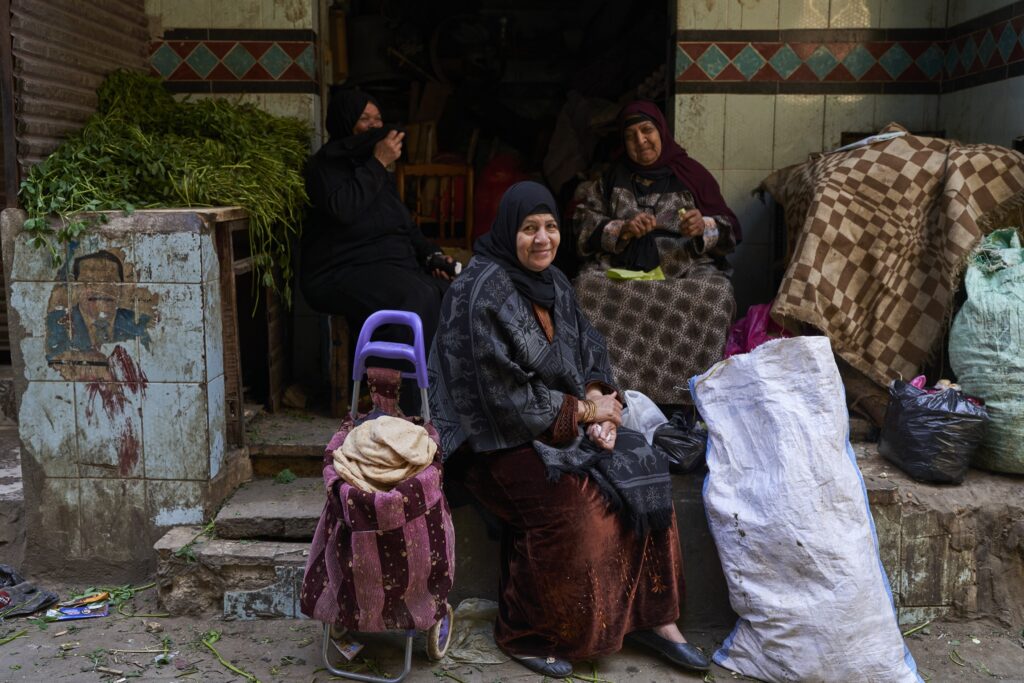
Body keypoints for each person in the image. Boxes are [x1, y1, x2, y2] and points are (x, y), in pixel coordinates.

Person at [428, 181, 709, 679]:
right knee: (578, 508)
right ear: (507, 231)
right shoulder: (476, 294)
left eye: (551, 227)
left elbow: (591, 348)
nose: (543, 239)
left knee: (644, 470)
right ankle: (526, 631)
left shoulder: (554, 282)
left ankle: (655, 619)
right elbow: (502, 400)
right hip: (491, 443)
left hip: (563, 420)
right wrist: (584, 414)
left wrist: (604, 399)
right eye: (529, 228)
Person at [573, 100, 740, 405]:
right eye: (631, 136)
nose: (641, 141)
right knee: (586, 288)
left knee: (717, 293)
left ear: (661, 131)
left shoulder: (692, 175)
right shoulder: (610, 180)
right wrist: (621, 228)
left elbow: (731, 230)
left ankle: (692, 397)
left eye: (647, 130)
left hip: (684, 271)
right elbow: (583, 225)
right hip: (623, 272)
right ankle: (611, 394)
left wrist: (704, 226)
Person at [300, 89, 454, 409]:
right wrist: (378, 162)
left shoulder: (376, 170)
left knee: (445, 290)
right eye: (364, 119)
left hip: (385, 266)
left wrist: (430, 255)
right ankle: (406, 408)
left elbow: (402, 224)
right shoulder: (323, 167)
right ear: (344, 122)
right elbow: (345, 209)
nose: (374, 126)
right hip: (338, 271)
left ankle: (440, 397)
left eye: (378, 119)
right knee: (414, 298)